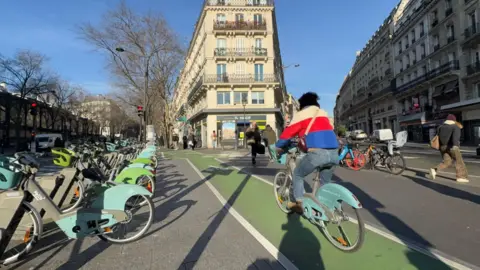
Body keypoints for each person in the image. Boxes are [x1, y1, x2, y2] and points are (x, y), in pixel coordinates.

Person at [275, 92, 338, 214]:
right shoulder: (323, 113)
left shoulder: (301, 114)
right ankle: (328, 208)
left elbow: (287, 134)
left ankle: (299, 204)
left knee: (298, 174)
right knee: (326, 183)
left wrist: (277, 147)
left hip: (318, 154)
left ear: (302, 105)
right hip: (334, 153)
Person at [430, 114, 469, 183]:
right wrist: (455, 146)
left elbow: (438, 137)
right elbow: (455, 139)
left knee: (446, 162)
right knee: (459, 162)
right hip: (452, 147)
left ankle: (434, 169)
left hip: (442, 147)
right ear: (454, 120)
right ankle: (461, 177)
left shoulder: (440, 127)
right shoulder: (455, 127)